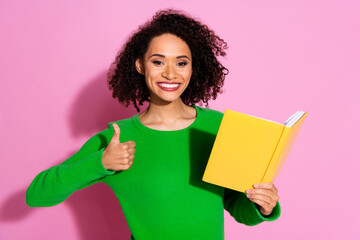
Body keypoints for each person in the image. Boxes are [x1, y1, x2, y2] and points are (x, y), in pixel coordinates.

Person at [26, 9, 281, 240]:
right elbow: (37, 194)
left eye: (181, 63)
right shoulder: (117, 139)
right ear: (140, 64)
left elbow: (235, 204)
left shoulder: (219, 126)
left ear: (193, 68)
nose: (171, 73)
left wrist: (262, 206)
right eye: (158, 62)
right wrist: (100, 163)